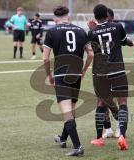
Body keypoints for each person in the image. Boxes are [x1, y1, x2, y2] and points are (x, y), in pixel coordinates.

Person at [43, 6, 94, 156]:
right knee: (70, 109)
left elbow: (45, 58)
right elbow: (91, 54)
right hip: (76, 75)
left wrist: (49, 75)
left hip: (61, 74)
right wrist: (83, 71)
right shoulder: (80, 30)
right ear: (68, 16)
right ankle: (63, 138)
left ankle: (77, 146)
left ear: (55, 19)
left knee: (66, 111)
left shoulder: (52, 32)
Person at [89, 4, 130, 150]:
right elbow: (126, 41)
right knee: (123, 102)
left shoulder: (92, 32)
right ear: (107, 14)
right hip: (117, 69)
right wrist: (131, 43)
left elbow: (92, 50)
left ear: (95, 16)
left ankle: (99, 138)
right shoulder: (117, 27)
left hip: (101, 72)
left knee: (101, 103)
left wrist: (92, 29)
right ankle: (122, 136)